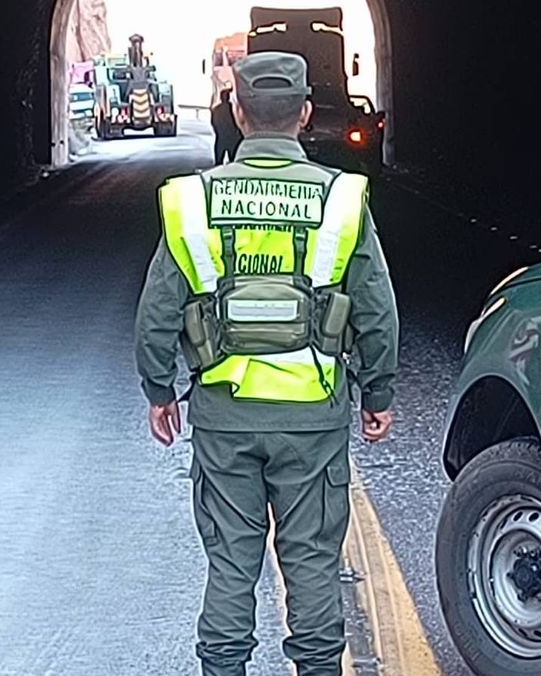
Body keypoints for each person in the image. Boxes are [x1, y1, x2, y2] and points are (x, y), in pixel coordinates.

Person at [136, 51, 398, 676]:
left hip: (224, 417)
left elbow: (158, 310)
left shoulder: (192, 201)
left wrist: (159, 389)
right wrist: (378, 394)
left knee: (230, 562)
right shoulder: (340, 199)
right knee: (311, 561)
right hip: (313, 415)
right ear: (306, 114)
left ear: (234, 111)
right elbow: (376, 307)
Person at [212, 88, 243, 165]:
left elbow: (214, 122)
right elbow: (238, 121)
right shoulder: (233, 108)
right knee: (233, 160)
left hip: (221, 136)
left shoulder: (217, 109)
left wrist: (218, 131)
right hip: (232, 137)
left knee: (218, 160)